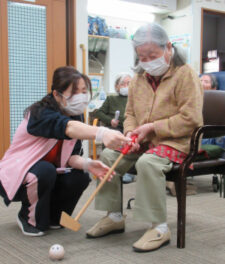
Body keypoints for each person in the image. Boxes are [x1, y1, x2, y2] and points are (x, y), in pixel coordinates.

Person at [86, 23, 203, 252]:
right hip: (143, 140)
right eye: (142, 56)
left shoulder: (186, 74)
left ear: (168, 48)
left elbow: (191, 119)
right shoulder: (138, 78)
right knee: (108, 156)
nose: (147, 61)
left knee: (147, 162)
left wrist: (152, 127)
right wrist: (130, 132)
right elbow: (129, 114)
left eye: (153, 55)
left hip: (176, 141)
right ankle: (115, 216)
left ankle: (159, 227)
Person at [0, 66, 130, 237]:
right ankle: (28, 217)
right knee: (44, 170)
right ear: (56, 94)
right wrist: (102, 133)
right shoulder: (40, 113)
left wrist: (88, 164)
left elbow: (71, 157)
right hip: (19, 174)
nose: (81, 96)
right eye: (74, 92)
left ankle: (55, 217)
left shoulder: (75, 114)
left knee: (80, 176)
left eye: (84, 91)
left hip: (52, 173)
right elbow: (67, 128)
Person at [93, 73, 135, 183]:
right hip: (114, 128)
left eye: (129, 83)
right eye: (123, 83)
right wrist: (110, 121)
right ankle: (110, 169)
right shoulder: (111, 99)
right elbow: (99, 113)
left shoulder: (135, 99)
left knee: (131, 139)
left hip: (130, 129)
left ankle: (129, 172)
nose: (126, 86)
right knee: (112, 135)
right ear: (117, 86)